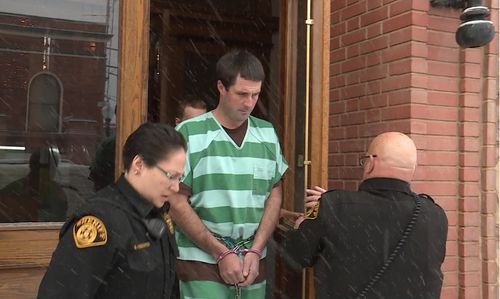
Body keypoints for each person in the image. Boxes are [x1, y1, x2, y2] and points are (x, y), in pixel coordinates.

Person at [169, 49, 288, 299]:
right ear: (221, 87)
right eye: (242, 94)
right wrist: (220, 252)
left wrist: (256, 250)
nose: (249, 103)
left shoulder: (266, 134)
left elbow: (274, 192)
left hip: (251, 261)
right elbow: (175, 200)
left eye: (255, 94)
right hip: (201, 258)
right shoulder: (188, 133)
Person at [282, 132, 448, 299]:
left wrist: (303, 224)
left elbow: (295, 256)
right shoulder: (435, 215)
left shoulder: (335, 205)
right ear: (412, 169)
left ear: (371, 163)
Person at [37, 122, 186, 299]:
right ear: (138, 165)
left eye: (180, 177)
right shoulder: (101, 221)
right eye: (171, 176)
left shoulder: (158, 214)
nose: (176, 187)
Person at [0, 146, 67, 222]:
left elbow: (59, 226)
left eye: (45, 167)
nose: (41, 171)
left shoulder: (57, 194)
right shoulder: (10, 192)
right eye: (40, 166)